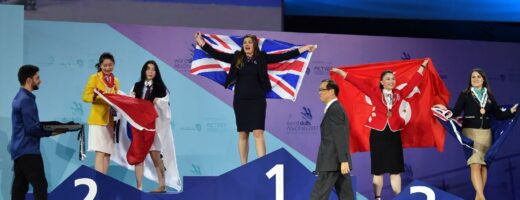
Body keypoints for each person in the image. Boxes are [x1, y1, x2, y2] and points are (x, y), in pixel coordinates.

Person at [194, 32, 315, 164]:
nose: (247, 44)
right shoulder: (237, 57)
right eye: (245, 42)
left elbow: (284, 56)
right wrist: (201, 42)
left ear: (254, 45)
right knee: (243, 134)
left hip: (257, 101)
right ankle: (244, 166)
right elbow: (217, 54)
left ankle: (262, 166)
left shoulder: (262, 57)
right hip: (240, 100)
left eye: (249, 42)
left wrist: (304, 48)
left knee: (258, 132)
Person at [332, 59, 428, 199]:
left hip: (394, 134)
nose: (391, 81)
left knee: (395, 171)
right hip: (378, 134)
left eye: (393, 78)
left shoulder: (399, 94)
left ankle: (398, 197)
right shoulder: (374, 93)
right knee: (378, 171)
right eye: (388, 79)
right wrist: (341, 72)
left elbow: (414, 80)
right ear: (382, 82)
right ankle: (377, 198)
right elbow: (357, 82)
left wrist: (423, 66)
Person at [434, 68, 517, 200]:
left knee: (483, 166)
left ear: (483, 79)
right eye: (473, 77)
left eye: (478, 76)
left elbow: (499, 114)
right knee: (475, 164)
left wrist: (512, 110)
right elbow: (456, 112)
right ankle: (481, 197)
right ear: (470, 80)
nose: (475, 79)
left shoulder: (489, 96)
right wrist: (444, 108)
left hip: (486, 134)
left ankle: (478, 196)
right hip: (470, 133)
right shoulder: (465, 94)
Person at [10, 65, 67, 200]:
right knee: (40, 186)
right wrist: (51, 132)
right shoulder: (26, 100)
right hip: (28, 150)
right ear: (29, 80)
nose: (40, 81)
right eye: (37, 78)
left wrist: (54, 125)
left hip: (19, 150)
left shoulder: (19, 97)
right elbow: (32, 128)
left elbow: (31, 124)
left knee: (20, 187)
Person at [129, 60, 180, 192]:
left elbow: (165, 104)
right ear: (144, 71)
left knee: (155, 156)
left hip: (154, 128)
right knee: (139, 157)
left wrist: (159, 101)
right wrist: (132, 98)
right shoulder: (137, 86)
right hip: (140, 127)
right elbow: (130, 103)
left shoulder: (160, 88)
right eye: (148, 69)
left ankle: (162, 185)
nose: (150, 71)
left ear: (156, 72)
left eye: (153, 69)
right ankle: (139, 187)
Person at [310, 79, 353, 200]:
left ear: (331, 91)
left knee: (317, 196)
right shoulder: (334, 108)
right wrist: (343, 161)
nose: (319, 92)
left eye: (322, 90)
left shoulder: (335, 109)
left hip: (332, 162)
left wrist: (344, 160)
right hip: (337, 162)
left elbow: (340, 136)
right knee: (347, 196)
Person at [82, 52, 120, 174]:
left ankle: (104, 181)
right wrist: (96, 96)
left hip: (110, 120)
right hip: (98, 120)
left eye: (110, 65)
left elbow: (117, 99)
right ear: (101, 65)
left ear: (114, 65)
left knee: (108, 152)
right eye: (105, 65)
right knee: (100, 152)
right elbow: (85, 96)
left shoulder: (116, 81)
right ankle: (99, 183)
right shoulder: (94, 78)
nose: (108, 68)